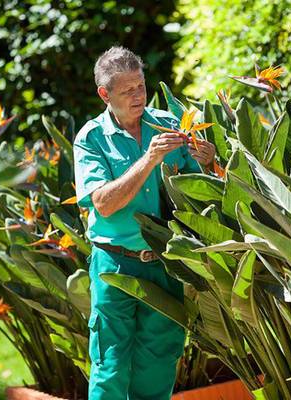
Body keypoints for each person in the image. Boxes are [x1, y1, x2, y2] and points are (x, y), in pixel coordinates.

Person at [73, 46, 216, 400]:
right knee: (110, 367)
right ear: (105, 95)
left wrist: (209, 163)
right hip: (114, 263)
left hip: (164, 263)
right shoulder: (90, 139)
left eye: (141, 86)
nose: (139, 96)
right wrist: (149, 159)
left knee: (158, 365)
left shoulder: (168, 124)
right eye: (128, 91)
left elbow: (197, 190)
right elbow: (103, 204)